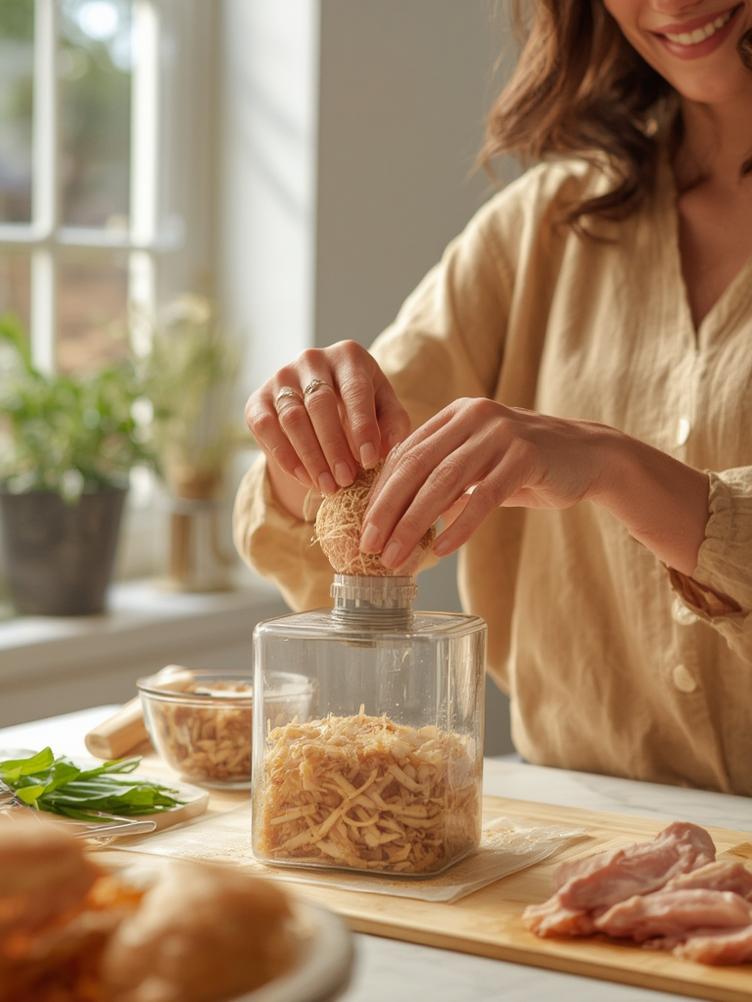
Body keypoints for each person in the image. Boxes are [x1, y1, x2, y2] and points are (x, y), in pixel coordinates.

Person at [234, 1, 752, 796]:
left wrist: (618, 467)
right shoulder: (540, 225)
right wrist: (312, 438)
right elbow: (327, 500)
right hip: (578, 833)